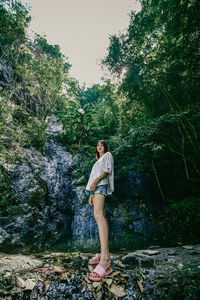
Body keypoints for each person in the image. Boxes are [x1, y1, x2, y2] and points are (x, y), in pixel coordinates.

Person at [85, 139, 114, 281]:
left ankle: (105, 260)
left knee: (98, 215)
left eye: (101, 145)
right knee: (100, 216)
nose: (99, 147)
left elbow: (106, 171)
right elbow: (93, 177)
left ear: (105, 147)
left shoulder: (108, 155)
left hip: (100, 185)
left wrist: (96, 182)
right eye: (97, 145)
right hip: (95, 188)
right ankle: (104, 255)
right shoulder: (97, 161)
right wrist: (91, 194)